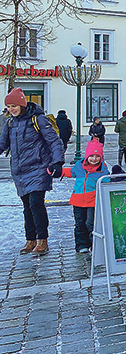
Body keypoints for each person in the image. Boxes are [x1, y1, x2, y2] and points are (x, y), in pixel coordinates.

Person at [0, 88, 65, 256]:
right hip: (20, 171)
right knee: (27, 207)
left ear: (22, 104)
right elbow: (2, 144)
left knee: (36, 204)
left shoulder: (38, 120)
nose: (11, 109)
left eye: (14, 105)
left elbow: (54, 141)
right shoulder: (10, 123)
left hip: (38, 167)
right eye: (8, 106)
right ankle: (30, 239)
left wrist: (57, 162)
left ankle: (43, 239)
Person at [58, 139, 109, 253]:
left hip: (93, 201)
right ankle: (82, 245)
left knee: (91, 223)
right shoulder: (79, 166)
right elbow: (70, 172)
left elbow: (108, 181)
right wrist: (58, 171)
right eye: (91, 156)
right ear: (87, 156)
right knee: (80, 223)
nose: (94, 159)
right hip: (78, 200)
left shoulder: (103, 170)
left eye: (97, 156)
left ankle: (94, 245)